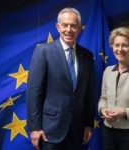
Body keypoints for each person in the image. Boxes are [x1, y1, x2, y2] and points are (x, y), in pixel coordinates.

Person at [26, 7, 95, 150]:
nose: (68, 29)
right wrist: (34, 127)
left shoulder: (87, 56)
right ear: (58, 27)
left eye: (73, 25)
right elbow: (34, 93)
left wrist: (88, 123)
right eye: (65, 25)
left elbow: (89, 93)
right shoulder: (43, 52)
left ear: (79, 28)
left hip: (78, 130)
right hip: (49, 131)